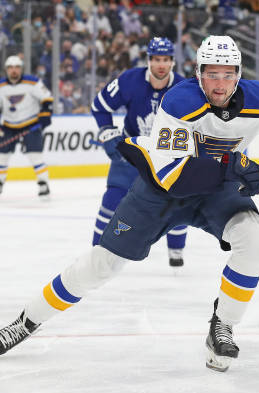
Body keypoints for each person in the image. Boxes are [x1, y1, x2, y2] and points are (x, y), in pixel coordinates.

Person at [0, 36, 259, 372]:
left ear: (239, 74)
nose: (220, 83)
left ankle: (223, 324)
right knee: (103, 264)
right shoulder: (178, 101)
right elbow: (173, 178)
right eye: (212, 74)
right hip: (159, 192)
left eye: (228, 74)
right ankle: (27, 321)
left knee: (254, 237)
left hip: (217, 190)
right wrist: (235, 165)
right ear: (198, 73)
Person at [90, 37, 189, 268]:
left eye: (165, 60)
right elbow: (100, 106)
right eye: (156, 59)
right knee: (111, 201)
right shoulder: (129, 80)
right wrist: (106, 132)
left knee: (179, 205)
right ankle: (96, 251)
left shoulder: (185, 88)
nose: (161, 65)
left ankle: (176, 251)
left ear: (173, 62)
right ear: (148, 60)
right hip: (131, 154)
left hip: (168, 158)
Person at [0, 55, 54, 198]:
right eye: (10, 68)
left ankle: (43, 184)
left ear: (21, 69)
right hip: (9, 126)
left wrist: (45, 114)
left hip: (31, 124)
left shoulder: (33, 82)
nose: (14, 71)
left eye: (17, 67)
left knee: (35, 156)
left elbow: (47, 99)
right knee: (1, 156)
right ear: (6, 70)